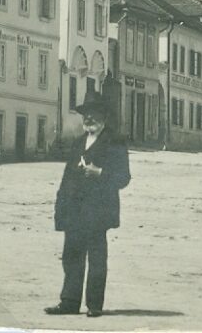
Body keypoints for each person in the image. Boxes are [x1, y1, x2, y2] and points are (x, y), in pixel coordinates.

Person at [45, 93, 130, 318]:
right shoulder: (78, 142)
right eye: (86, 114)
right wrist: (61, 208)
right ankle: (69, 302)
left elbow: (124, 177)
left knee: (96, 259)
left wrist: (100, 172)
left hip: (98, 211)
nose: (89, 118)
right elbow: (66, 178)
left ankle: (94, 305)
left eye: (94, 113)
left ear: (104, 116)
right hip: (74, 210)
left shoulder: (115, 142)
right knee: (71, 256)